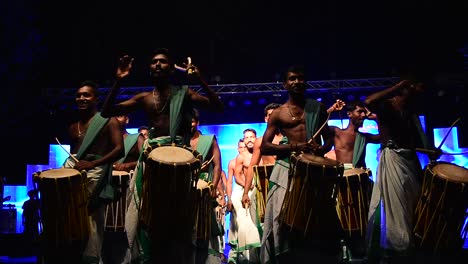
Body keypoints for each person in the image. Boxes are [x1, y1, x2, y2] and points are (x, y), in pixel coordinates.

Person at [101, 48, 224, 263]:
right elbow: (106, 111)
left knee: (180, 219)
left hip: (181, 161)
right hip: (153, 160)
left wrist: (200, 79)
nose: (158, 65)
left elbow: (218, 107)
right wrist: (119, 80)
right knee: (151, 217)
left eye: (163, 62)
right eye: (154, 61)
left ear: (171, 68)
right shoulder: (145, 98)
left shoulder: (184, 94)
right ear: (150, 68)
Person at [259, 65, 340, 263]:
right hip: (288, 168)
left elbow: (329, 137)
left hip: (313, 171)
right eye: (292, 79)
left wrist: (322, 148)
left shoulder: (317, 108)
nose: (297, 82)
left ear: (306, 82)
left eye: (300, 78)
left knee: (318, 220)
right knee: (281, 219)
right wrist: (296, 146)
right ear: (285, 84)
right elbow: (265, 147)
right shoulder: (278, 113)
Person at [56, 80, 124, 264]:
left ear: (96, 98)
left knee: (91, 217)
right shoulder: (72, 127)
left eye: (86, 95)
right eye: (78, 95)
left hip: (95, 171)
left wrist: (92, 164)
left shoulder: (108, 121)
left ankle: (93, 258)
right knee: (70, 215)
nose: (81, 98)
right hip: (75, 170)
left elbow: (119, 149)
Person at [364, 80, 426, 263]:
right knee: (395, 204)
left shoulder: (410, 111)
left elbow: (416, 138)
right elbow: (368, 102)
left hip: (409, 160)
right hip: (392, 159)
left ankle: (408, 244)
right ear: (406, 88)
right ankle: (398, 246)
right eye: (416, 86)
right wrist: (397, 86)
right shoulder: (386, 105)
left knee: (411, 201)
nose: (420, 90)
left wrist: (430, 152)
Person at [327, 100, 380, 260]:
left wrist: (376, 118)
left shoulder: (364, 136)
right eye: (359, 112)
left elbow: (384, 135)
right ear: (349, 114)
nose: (363, 115)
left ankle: (361, 252)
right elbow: (318, 126)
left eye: (364, 112)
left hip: (359, 181)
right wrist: (331, 109)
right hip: (341, 180)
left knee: (362, 218)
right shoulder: (337, 132)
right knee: (342, 218)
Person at [102, 113, 145, 264]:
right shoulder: (105, 141)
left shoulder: (137, 138)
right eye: (113, 116)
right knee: (104, 233)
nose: (116, 119)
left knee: (127, 232)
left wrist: (127, 165)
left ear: (127, 119)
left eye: (120, 116)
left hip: (127, 191)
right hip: (107, 190)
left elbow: (144, 160)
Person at [189, 109, 224, 263]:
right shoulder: (179, 140)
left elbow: (217, 165)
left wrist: (214, 186)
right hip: (185, 189)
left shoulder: (209, 140)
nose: (190, 124)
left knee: (205, 225)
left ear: (197, 122)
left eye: (192, 121)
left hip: (204, 187)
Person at [227, 128, 261, 263]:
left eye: (251, 137)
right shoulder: (241, 157)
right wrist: (248, 186)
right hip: (246, 190)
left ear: (256, 137)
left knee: (259, 225)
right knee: (246, 225)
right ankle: (245, 258)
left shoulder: (261, 153)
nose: (249, 140)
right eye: (246, 138)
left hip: (260, 190)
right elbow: (236, 177)